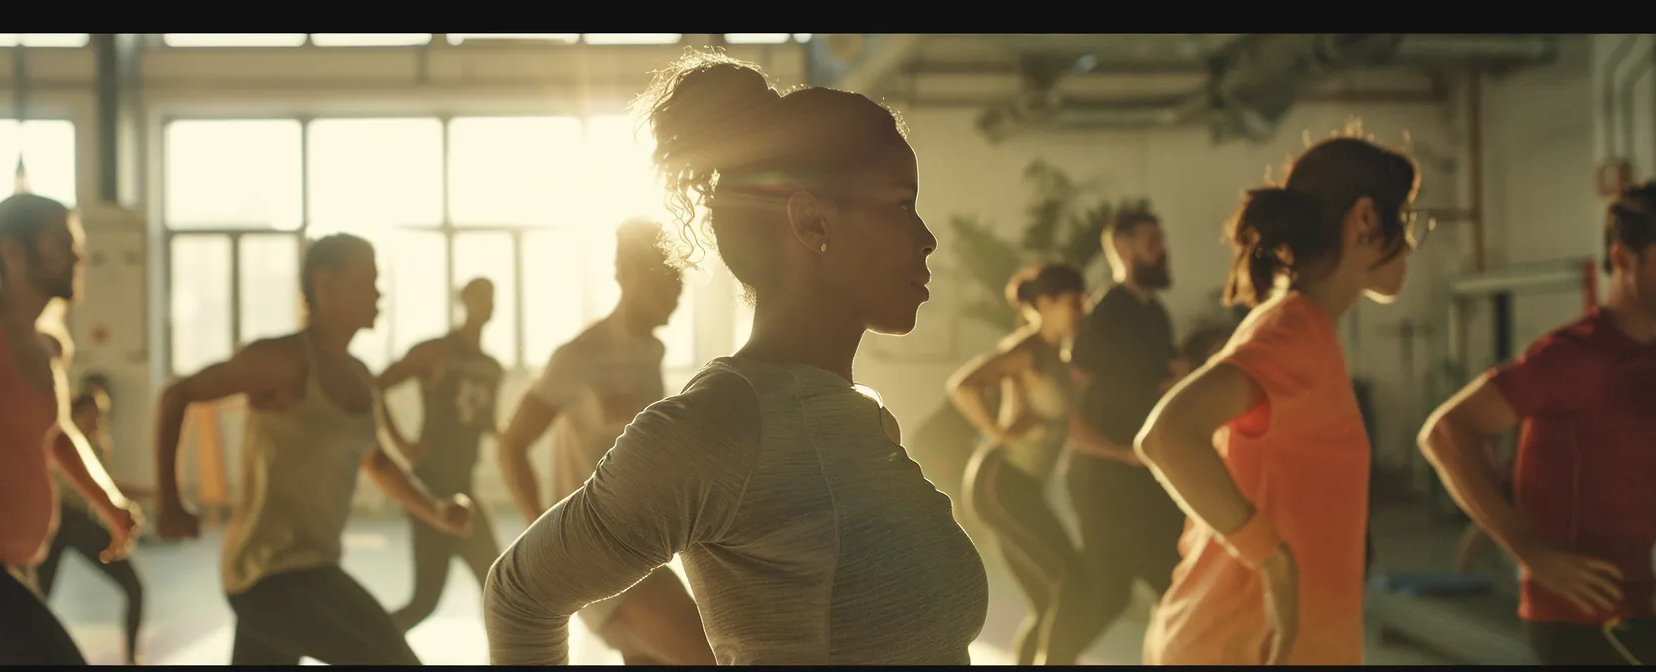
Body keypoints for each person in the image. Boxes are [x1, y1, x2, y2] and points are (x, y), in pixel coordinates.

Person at [483, 50, 988, 665]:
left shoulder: (862, 416)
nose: (927, 237)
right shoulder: (718, 426)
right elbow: (521, 594)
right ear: (812, 221)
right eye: (901, 203)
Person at [1135, 136, 1420, 665]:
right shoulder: (1295, 331)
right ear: (1365, 219)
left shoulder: (1294, 324)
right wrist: (1273, 562)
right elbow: (1168, 435)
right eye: (1405, 219)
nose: (1411, 241)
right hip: (1243, 646)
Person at [151, 232, 476, 665]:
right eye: (367, 281)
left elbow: (377, 462)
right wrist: (170, 501)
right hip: (266, 575)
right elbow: (177, 396)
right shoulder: (281, 360)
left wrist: (435, 512)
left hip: (313, 565)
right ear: (325, 285)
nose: (379, 294)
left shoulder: (360, 377)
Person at [1419, 179, 1656, 665]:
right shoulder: (1577, 356)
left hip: (1632, 608)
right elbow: (1446, 432)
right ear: (1622, 258)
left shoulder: (1652, 359)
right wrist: (1531, 552)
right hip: (1584, 624)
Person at [0, 199, 143, 665]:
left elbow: (53, 435)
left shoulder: (43, 345)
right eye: (63, 242)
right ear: (14, 252)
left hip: (8, 564)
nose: (80, 254)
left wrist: (110, 504)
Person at [494, 218, 710, 665]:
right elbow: (512, 443)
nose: (676, 295)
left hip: (641, 552)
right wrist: (544, 539)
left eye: (680, 282)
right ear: (629, 274)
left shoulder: (650, 353)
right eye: (667, 280)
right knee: (712, 658)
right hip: (595, 558)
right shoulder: (579, 357)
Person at [948, 262, 1090, 665]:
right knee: (1072, 582)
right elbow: (964, 384)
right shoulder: (1026, 350)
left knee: (1051, 599)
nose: (1082, 310)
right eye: (1074, 302)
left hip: (1021, 485)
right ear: (1044, 303)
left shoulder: (1055, 356)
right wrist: (1001, 431)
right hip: (1001, 482)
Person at [1063, 205, 1189, 652]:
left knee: (1178, 581)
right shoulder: (1104, 316)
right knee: (1108, 594)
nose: (1162, 250)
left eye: (1162, 240)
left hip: (1147, 478)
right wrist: (1113, 452)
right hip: (1104, 480)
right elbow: (1069, 402)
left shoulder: (1156, 314)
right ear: (1121, 247)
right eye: (1150, 242)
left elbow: (1158, 380)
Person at [376, 277, 506, 633]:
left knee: (497, 586)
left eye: (492, 298)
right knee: (424, 602)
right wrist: (401, 444)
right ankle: (362, 647)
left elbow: (482, 420)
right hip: (430, 486)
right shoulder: (436, 352)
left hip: (464, 484)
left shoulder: (492, 367)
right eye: (481, 298)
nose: (488, 306)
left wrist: (512, 435)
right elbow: (373, 388)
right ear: (465, 301)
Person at [36, 375, 149, 665]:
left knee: (134, 590)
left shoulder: (96, 447)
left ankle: (131, 659)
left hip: (80, 525)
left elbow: (104, 487)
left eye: (101, 416)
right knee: (36, 598)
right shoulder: (59, 439)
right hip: (62, 523)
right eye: (92, 415)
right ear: (75, 414)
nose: (98, 422)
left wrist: (126, 508)